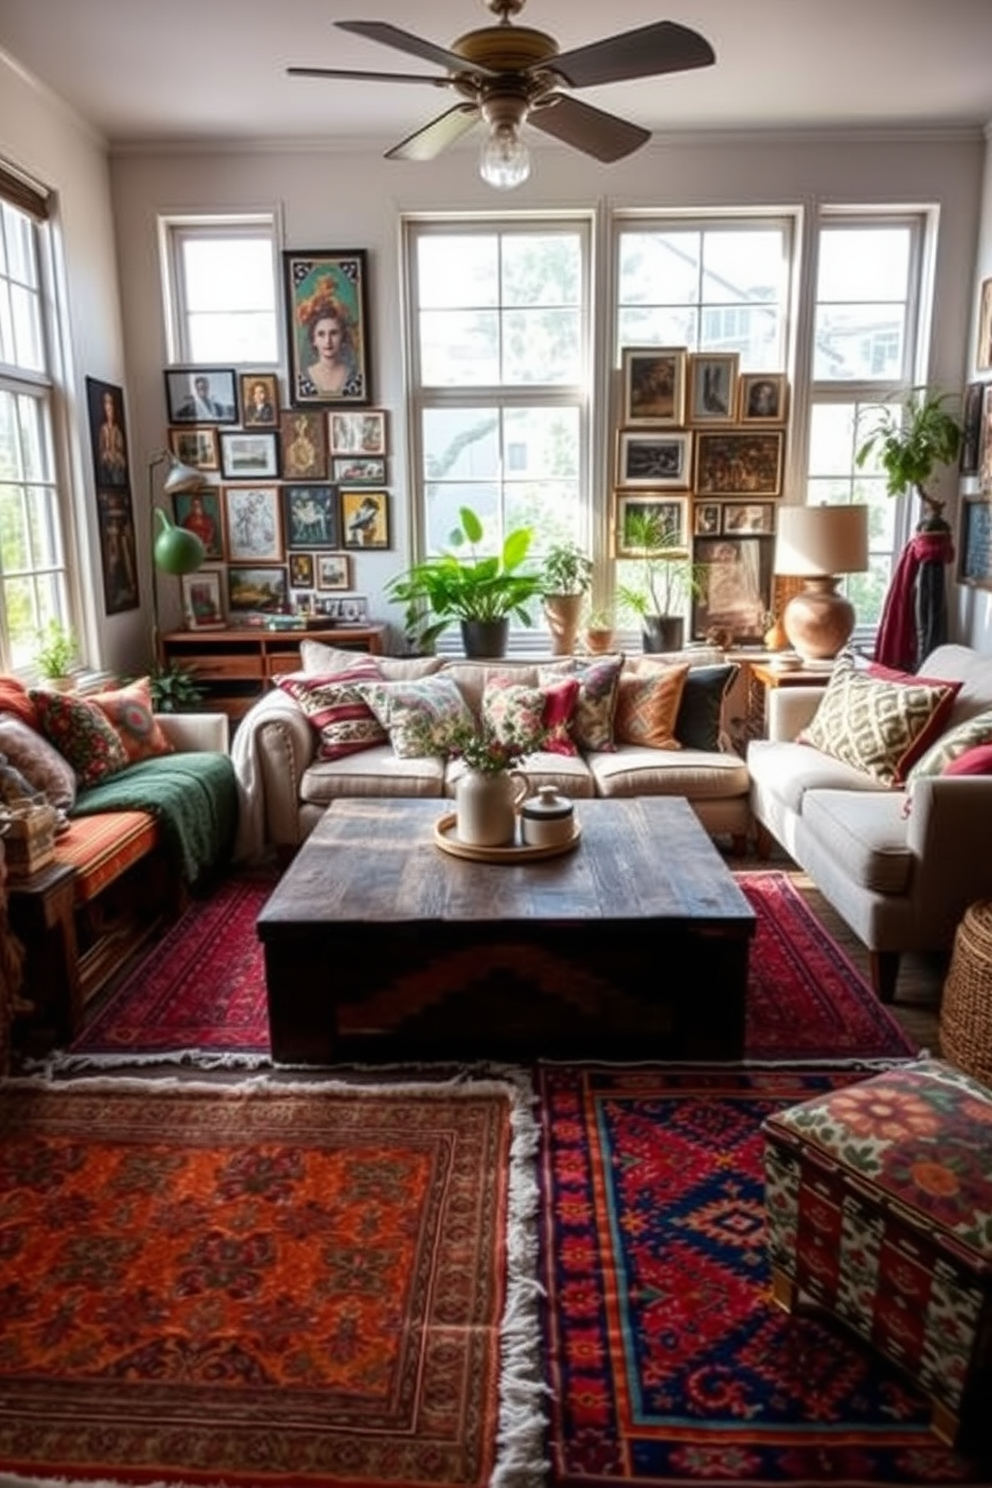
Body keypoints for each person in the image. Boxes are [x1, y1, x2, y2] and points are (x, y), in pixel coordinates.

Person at [295, 279, 362, 398]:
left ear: (342, 337)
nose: (328, 341)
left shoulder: (351, 374)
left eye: (334, 333)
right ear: (314, 340)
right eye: (321, 334)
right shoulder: (306, 375)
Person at [97, 389, 128, 486]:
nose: (109, 411)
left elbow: (120, 448)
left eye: (111, 408)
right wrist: (107, 454)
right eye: (107, 408)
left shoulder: (117, 430)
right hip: (107, 462)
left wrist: (116, 455)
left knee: (118, 468)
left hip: (117, 462)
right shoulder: (103, 429)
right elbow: (102, 448)